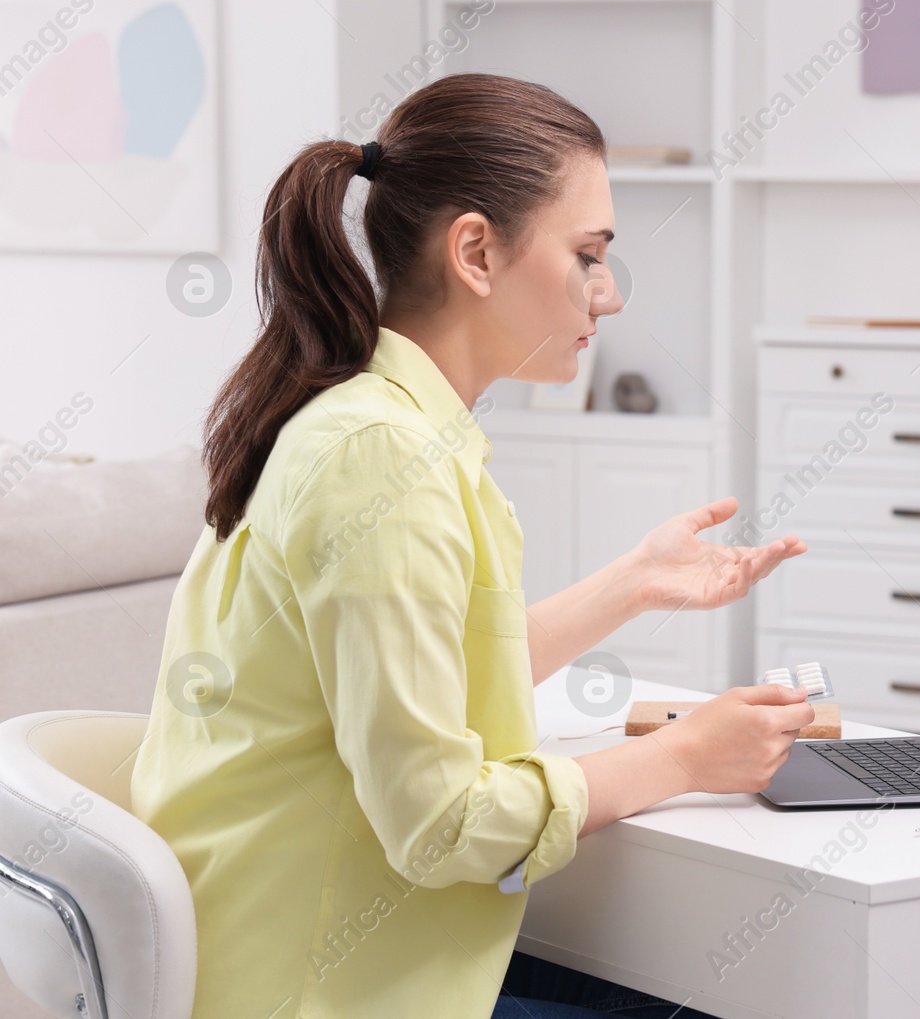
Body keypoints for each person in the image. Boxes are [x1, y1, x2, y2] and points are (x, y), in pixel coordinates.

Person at [130, 72, 813, 1019]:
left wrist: (634, 583)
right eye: (588, 255)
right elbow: (438, 822)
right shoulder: (380, 456)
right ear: (476, 252)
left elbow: (425, 680)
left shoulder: (374, 420)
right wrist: (688, 757)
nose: (608, 295)